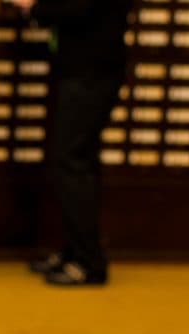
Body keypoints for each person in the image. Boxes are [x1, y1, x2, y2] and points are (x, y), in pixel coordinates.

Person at [11, 0, 131, 286]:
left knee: (71, 161)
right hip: (81, 69)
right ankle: (74, 251)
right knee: (78, 162)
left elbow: (76, 8)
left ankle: (88, 262)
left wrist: (34, 7)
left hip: (91, 72)